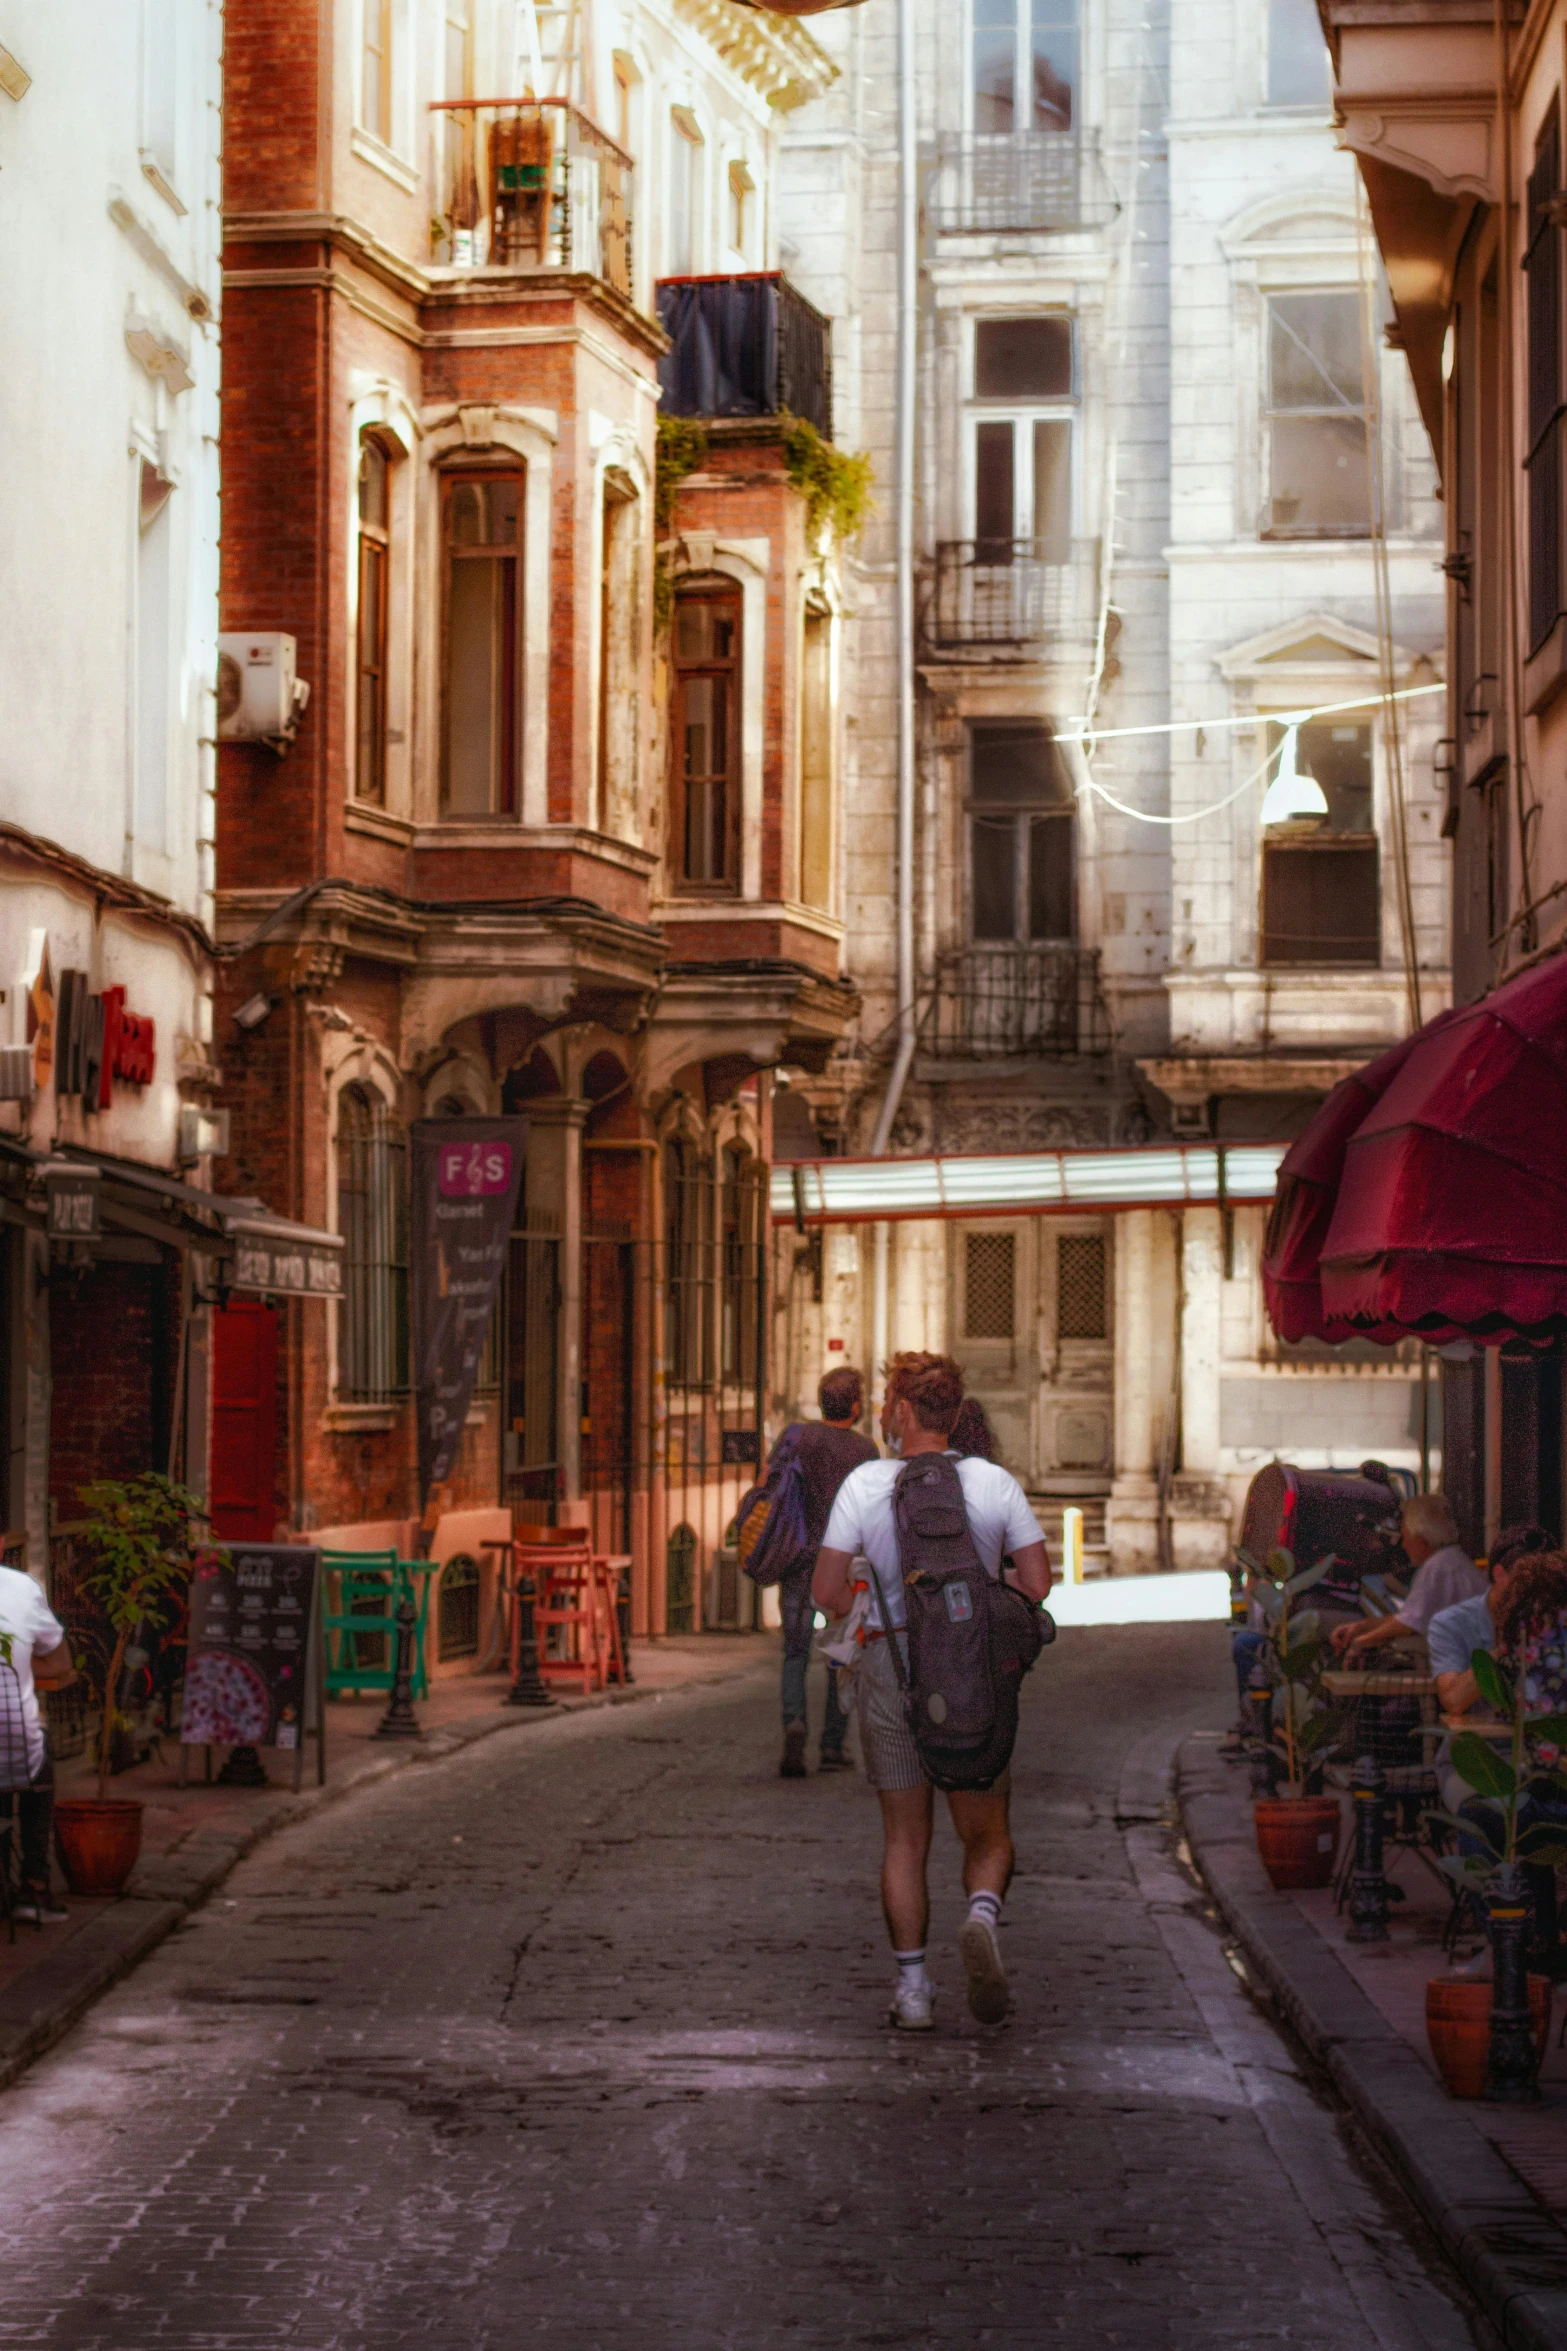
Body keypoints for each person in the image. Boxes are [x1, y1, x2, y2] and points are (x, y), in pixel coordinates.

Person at [812, 1351, 1051, 2032]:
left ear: (904, 1411)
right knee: (986, 1829)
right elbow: (1035, 1584)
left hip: (891, 1666)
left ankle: (913, 1991)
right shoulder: (993, 1483)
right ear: (954, 1411)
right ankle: (980, 1915)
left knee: (904, 1838)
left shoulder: (864, 1484)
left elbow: (827, 1593)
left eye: (890, 1404)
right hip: (972, 1669)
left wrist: (867, 1587)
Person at [774, 1365, 879, 1779]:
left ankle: (794, 1722)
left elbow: (767, 1484)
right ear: (855, 1406)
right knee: (840, 1654)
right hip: (841, 1566)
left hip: (797, 1558)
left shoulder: (796, 1439)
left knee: (794, 1651)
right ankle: (833, 1745)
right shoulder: (864, 1451)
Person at [0, 1559, 76, 1924]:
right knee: (33, 1753)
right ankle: (34, 1884)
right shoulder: (21, 1588)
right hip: (12, 1750)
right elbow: (61, 1665)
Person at [1330, 1491, 1485, 1661]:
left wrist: (1359, 1643)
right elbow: (1411, 1616)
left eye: (1405, 1537)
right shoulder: (1450, 1560)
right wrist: (1361, 1627)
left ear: (1421, 1540)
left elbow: (1407, 1624)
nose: (1403, 1545)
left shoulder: (1439, 1566)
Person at [1428, 1522, 1553, 1717]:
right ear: (1499, 1574)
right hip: (1481, 1744)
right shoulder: (1451, 1623)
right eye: (1526, 1583)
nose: (1536, 1594)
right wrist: (1507, 1646)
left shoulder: (1555, 1622)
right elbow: (1453, 1701)